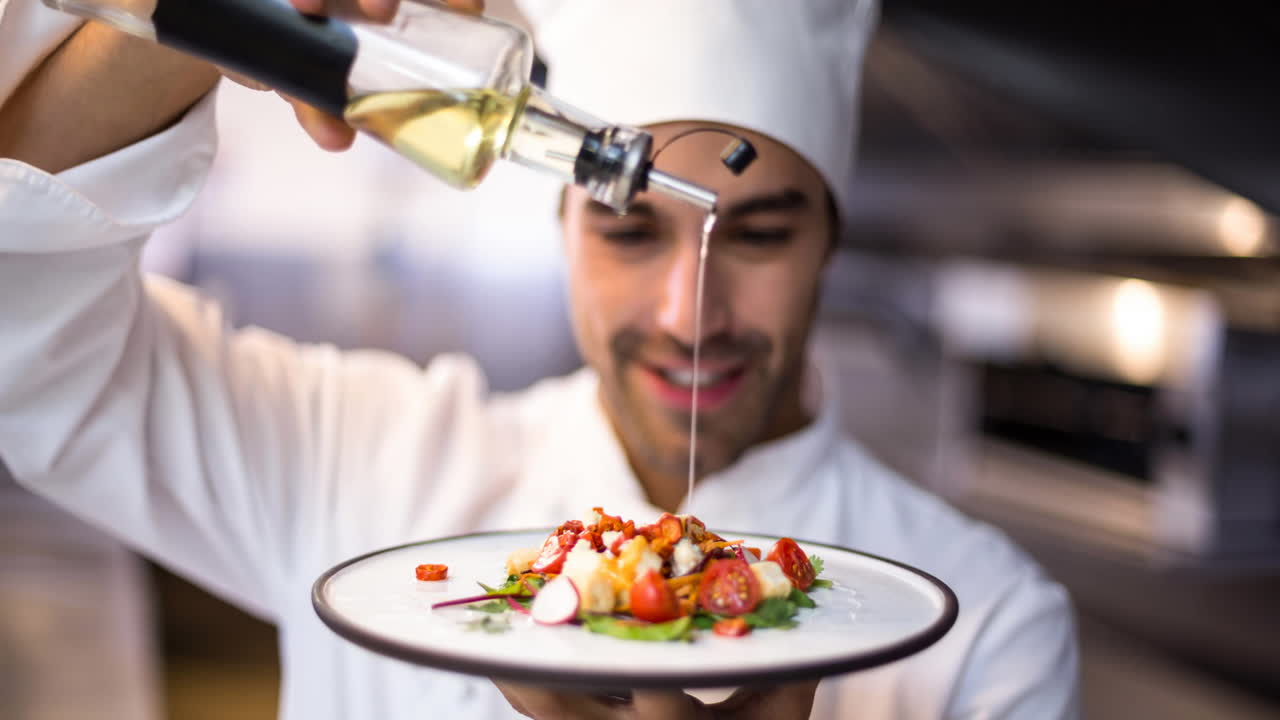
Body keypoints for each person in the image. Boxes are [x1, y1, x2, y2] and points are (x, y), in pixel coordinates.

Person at [0, 0, 1079, 717]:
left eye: (756, 235)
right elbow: (28, 345)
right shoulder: (360, 459)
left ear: (830, 241)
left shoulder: (983, 626)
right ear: (563, 222)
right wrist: (185, 17)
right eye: (627, 231)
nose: (687, 312)